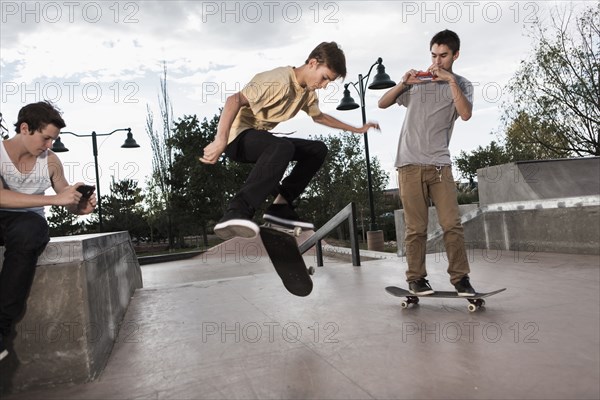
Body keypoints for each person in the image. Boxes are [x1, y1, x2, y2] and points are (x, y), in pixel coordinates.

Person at [200, 42, 379, 239]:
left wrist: (356, 129)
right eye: (325, 78)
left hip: (261, 141)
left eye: (329, 82)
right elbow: (233, 100)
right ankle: (236, 211)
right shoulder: (277, 81)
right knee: (282, 146)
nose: (325, 85)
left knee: (317, 150)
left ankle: (280, 206)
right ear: (312, 63)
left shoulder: (307, 94)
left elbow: (319, 117)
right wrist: (220, 139)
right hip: (237, 139)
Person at [378, 29, 476, 296]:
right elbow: (382, 103)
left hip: (440, 166)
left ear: (455, 55)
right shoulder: (418, 83)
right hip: (409, 164)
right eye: (434, 55)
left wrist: (450, 81)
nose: (437, 61)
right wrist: (403, 83)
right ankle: (416, 279)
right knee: (416, 228)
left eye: (443, 56)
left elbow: (465, 114)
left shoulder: (463, 85)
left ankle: (460, 279)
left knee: (451, 225)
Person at [0, 101, 97, 361]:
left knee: (29, 232)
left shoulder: (51, 162)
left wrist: (80, 206)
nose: (49, 145)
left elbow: (64, 196)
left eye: (53, 140)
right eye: (45, 138)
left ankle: (0, 328)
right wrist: (54, 200)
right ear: (24, 128)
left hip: (28, 225)